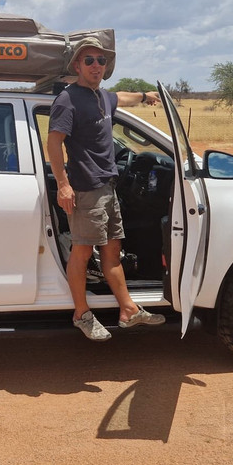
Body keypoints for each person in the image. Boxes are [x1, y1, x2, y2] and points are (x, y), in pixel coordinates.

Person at [47, 37, 167, 341]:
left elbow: (122, 98)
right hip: (86, 188)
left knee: (112, 250)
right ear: (77, 65)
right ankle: (81, 314)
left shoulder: (101, 97)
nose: (96, 65)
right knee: (82, 252)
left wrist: (145, 95)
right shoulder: (68, 99)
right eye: (89, 60)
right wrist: (64, 185)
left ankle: (128, 310)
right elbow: (54, 143)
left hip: (108, 186)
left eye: (101, 60)